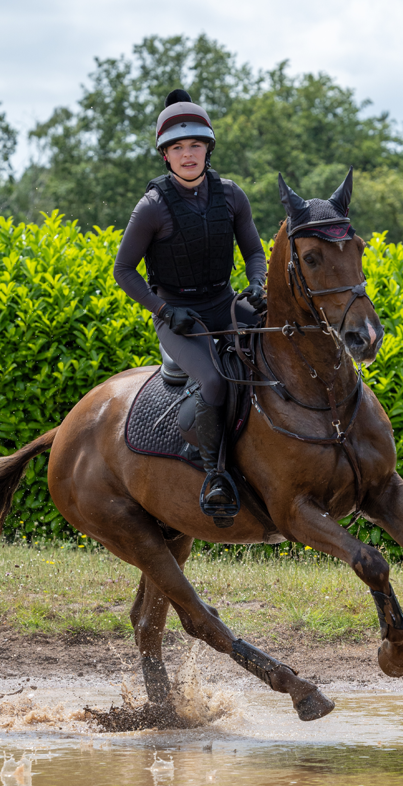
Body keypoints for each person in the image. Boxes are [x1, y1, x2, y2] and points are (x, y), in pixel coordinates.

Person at [114, 89, 267, 519]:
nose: (187, 155)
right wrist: (163, 311)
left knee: (278, 347)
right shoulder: (151, 207)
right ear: (165, 156)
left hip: (224, 302)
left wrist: (257, 283)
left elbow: (255, 252)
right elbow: (123, 271)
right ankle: (216, 476)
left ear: (208, 149)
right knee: (215, 383)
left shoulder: (232, 195)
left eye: (195, 145)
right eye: (177, 148)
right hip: (178, 318)